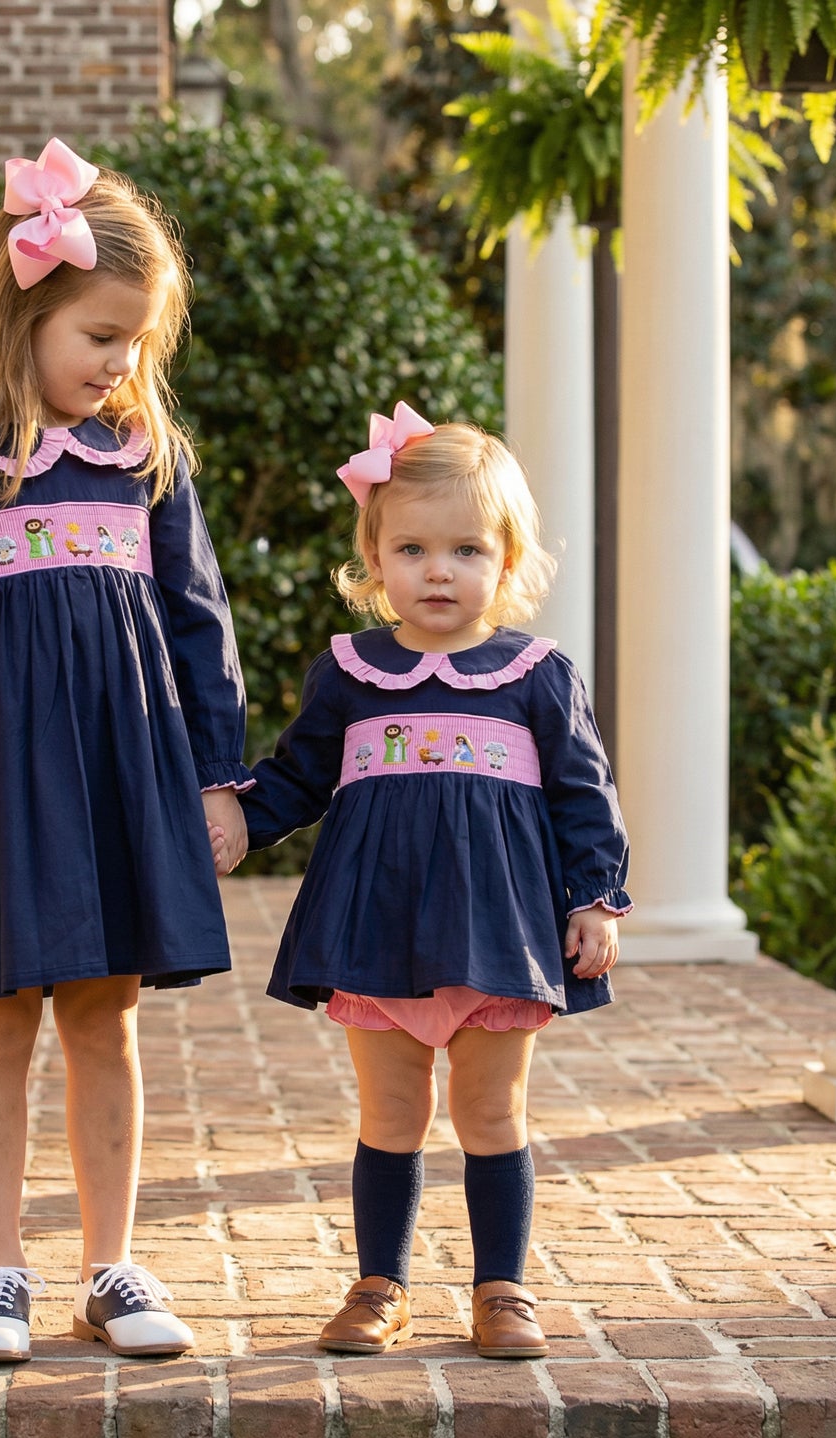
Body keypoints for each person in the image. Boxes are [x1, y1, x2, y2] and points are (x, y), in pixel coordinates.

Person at [0, 138, 251, 1365]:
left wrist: (216, 776)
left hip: (115, 775)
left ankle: (110, 1266)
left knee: (104, 1016)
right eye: (99, 335)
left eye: (136, 341)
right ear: (24, 310)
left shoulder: (143, 461)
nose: (120, 362)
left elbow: (199, 622)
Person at [239, 404, 630, 1359]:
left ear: (505, 559)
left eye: (464, 549)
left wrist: (595, 896)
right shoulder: (349, 672)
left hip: (496, 932)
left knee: (491, 1112)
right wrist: (234, 821)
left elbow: (585, 794)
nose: (437, 570)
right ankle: (380, 1284)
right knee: (391, 1112)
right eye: (411, 547)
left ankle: (501, 1288)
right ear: (374, 555)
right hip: (377, 925)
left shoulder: (536, 675)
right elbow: (297, 775)